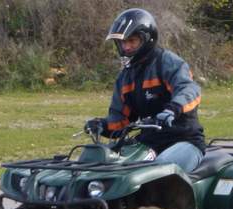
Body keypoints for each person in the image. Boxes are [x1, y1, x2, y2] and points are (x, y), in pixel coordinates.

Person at [85, 8, 206, 172]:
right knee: (106, 166)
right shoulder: (125, 77)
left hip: (184, 140)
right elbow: (120, 119)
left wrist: (173, 109)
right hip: (148, 143)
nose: (126, 47)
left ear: (146, 39)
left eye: (132, 41)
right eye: (123, 42)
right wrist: (101, 125)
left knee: (157, 172)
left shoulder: (166, 62)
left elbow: (189, 89)